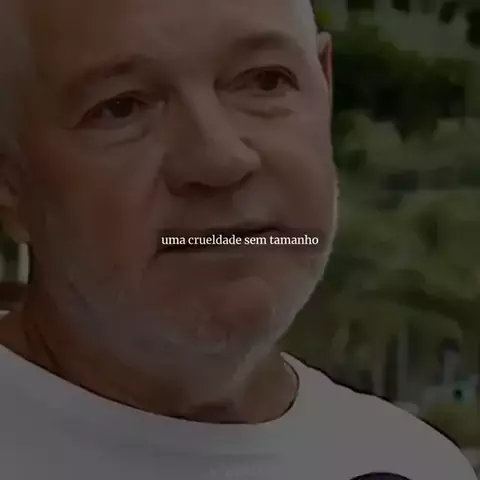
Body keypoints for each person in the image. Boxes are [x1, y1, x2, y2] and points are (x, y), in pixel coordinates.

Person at [0, 0, 476, 479]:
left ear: (324, 88)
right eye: (121, 107)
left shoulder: (414, 464)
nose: (220, 159)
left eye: (265, 80)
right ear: (9, 177)